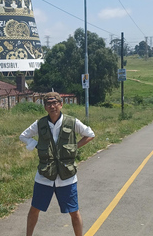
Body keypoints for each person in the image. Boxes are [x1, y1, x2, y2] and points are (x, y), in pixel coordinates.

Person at [19, 92, 95, 236]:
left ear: (61, 104)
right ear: (45, 107)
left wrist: (75, 146)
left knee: (74, 211)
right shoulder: (40, 124)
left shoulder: (72, 122)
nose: (52, 106)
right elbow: (23, 136)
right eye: (48, 104)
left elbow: (90, 134)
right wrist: (36, 145)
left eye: (55, 103)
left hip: (67, 176)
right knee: (34, 209)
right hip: (44, 176)